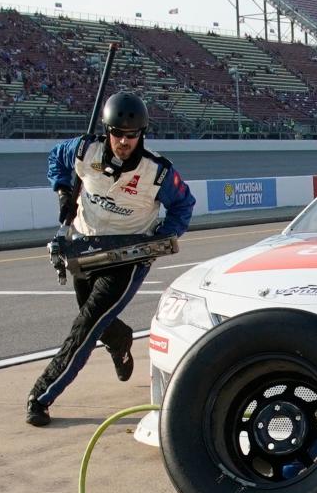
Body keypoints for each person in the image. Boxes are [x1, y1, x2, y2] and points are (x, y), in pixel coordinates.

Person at [26, 92, 195, 426]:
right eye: (117, 134)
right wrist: (63, 192)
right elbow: (55, 160)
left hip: (128, 255)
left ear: (141, 135)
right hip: (85, 247)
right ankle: (120, 341)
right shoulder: (82, 149)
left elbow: (184, 205)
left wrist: (163, 234)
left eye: (131, 136)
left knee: (86, 327)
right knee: (95, 320)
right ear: (107, 131)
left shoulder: (157, 171)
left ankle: (41, 395)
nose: (123, 142)